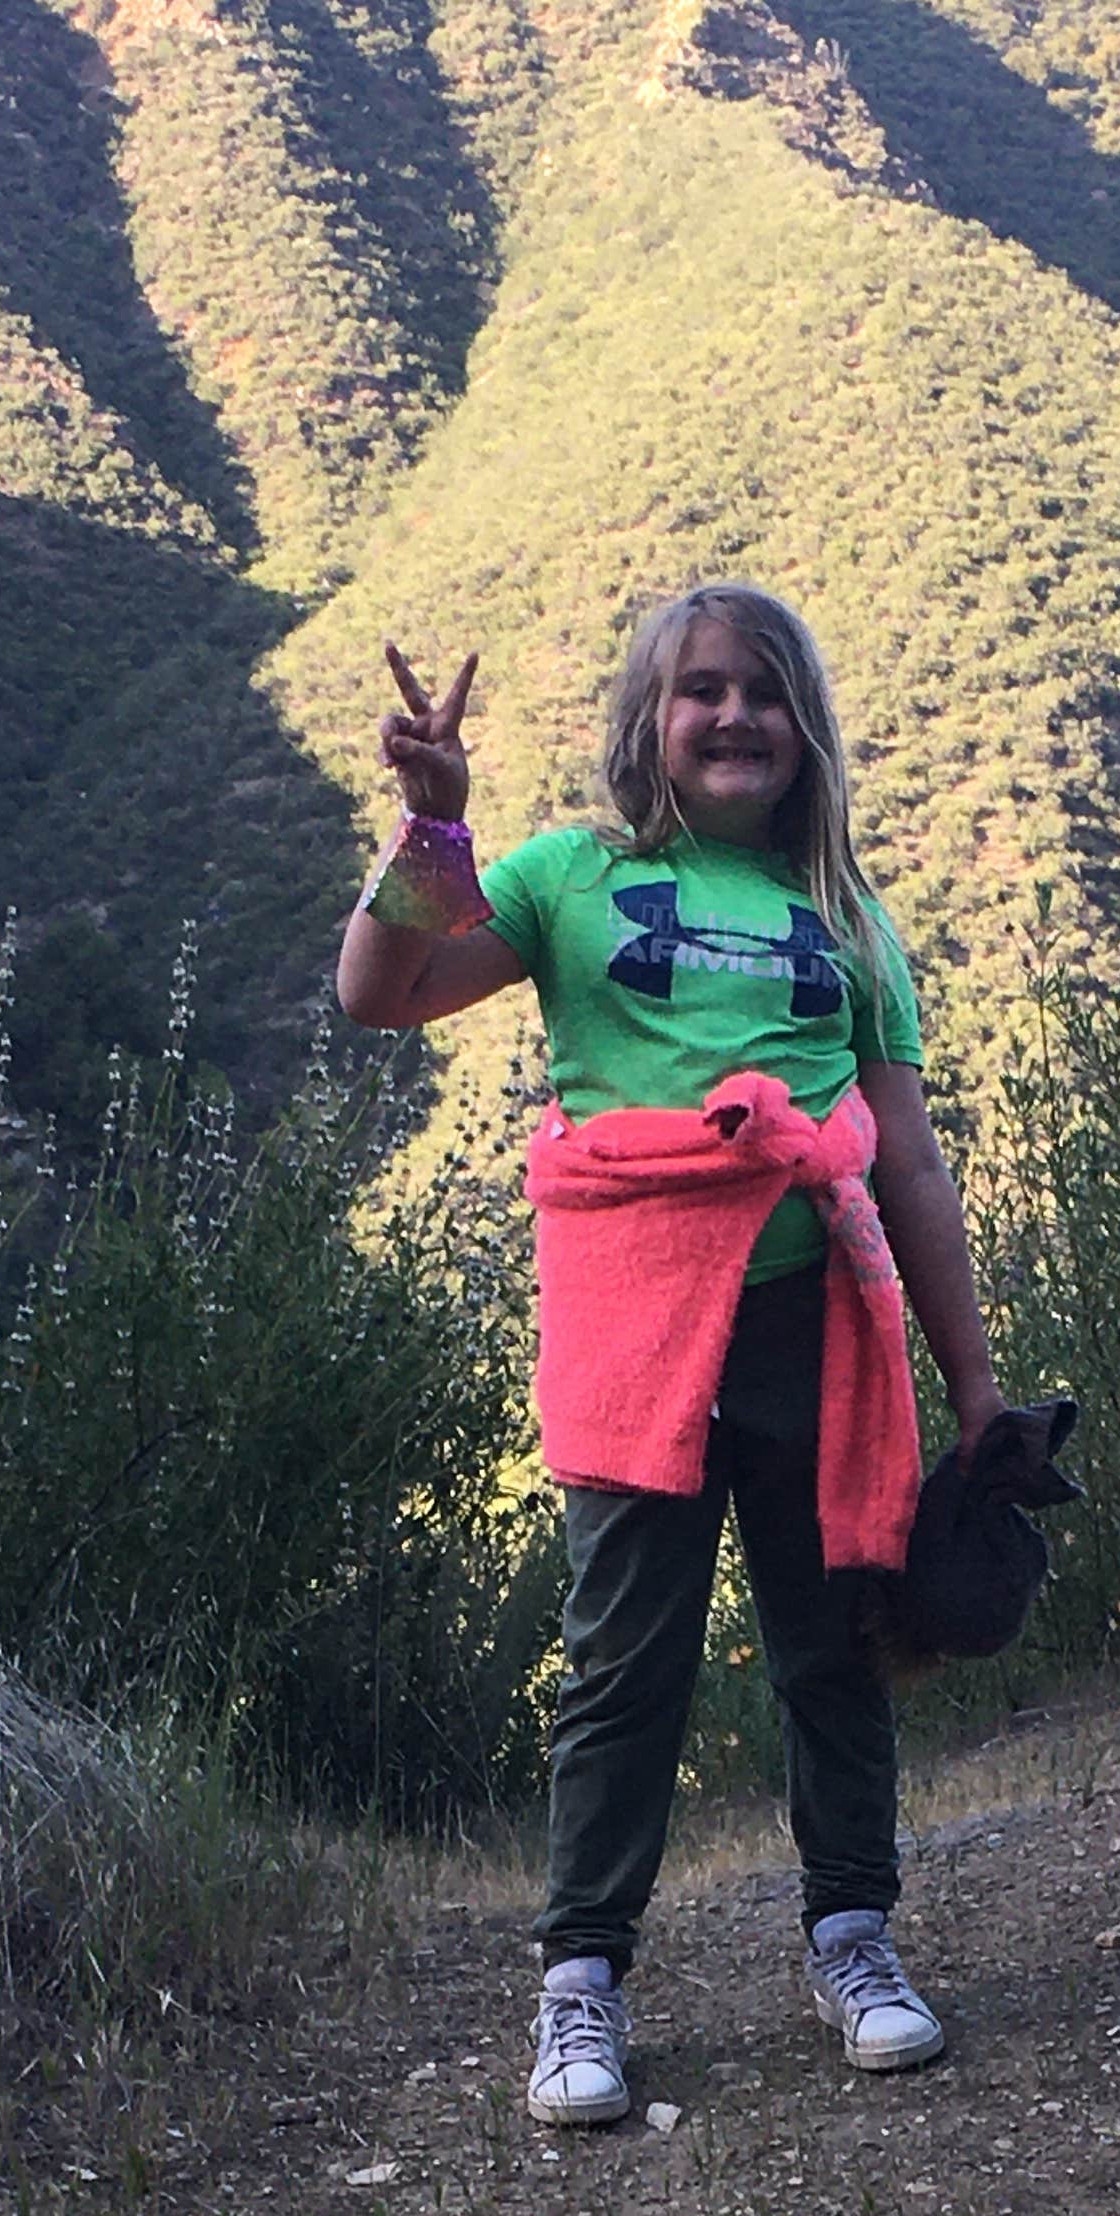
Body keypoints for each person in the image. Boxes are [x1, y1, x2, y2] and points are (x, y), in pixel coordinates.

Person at [337, 581, 1002, 2129]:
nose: (732, 717)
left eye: (763, 692)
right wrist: (433, 832)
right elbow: (383, 995)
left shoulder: (850, 919)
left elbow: (908, 1165)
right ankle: (582, 1981)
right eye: (701, 690)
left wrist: (974, 1390)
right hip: (633, 1317)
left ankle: (854, 1936)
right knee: (623, 1658)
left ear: (805, 729)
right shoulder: (570, 876)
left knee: (833, 1638)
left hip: (811, 1320)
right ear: (649, 718)